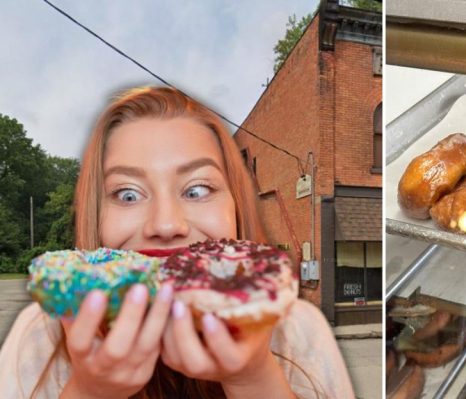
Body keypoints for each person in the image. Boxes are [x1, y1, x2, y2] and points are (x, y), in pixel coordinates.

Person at [0, 86, 355, 398]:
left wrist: (256, 380)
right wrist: (89, 392)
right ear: (96, 214)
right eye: (127, 194)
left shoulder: (297, 329)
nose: (166, 225)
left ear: (237, 207)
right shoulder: (41, 334)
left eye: (197, 190)